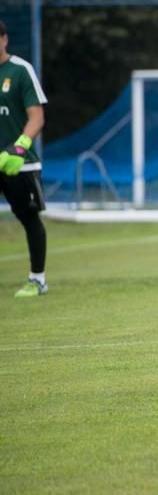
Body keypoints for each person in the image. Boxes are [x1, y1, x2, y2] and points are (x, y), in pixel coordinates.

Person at [0, 20, 49, 297]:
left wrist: (19, 147)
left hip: (20, 161)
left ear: (4, 38)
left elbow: (37, 117)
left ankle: (38, 279)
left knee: (28, 218)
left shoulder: (20, 70)